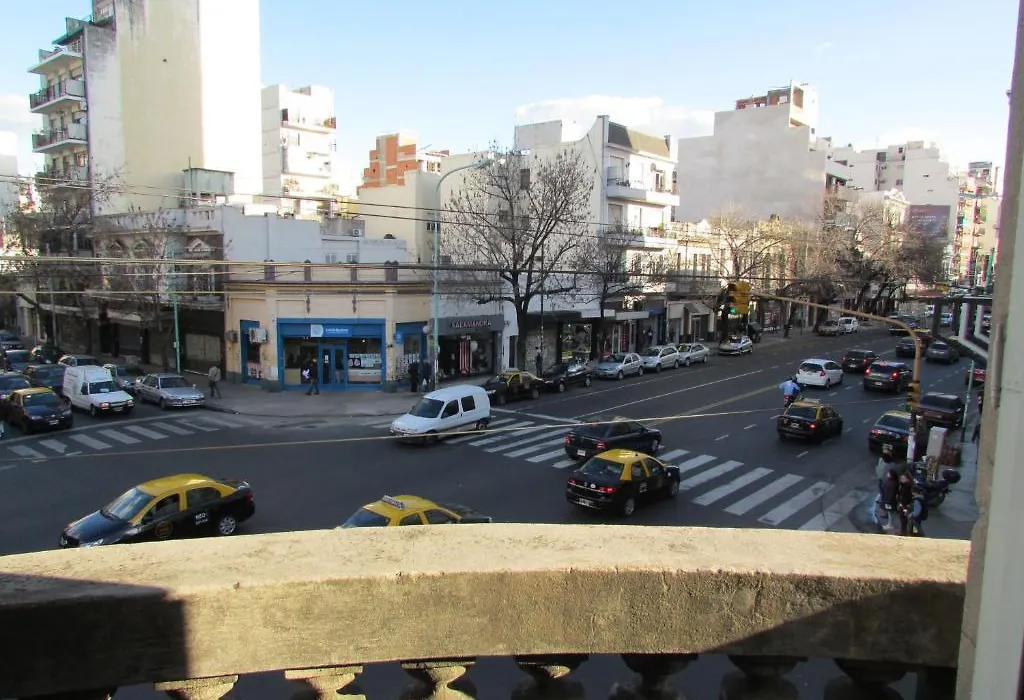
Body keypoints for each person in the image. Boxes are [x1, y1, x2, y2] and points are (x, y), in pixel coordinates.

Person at [878, 468, 900, 533]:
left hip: (890, 501)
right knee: (889, 512)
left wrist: (888, 501)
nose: (887, 474)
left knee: (890, 513)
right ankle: (890, 524)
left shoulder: (893, 483)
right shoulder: (890, 481)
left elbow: (892, 493)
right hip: (887, 500)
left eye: (888, 473)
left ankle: (890, 525)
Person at [896, 471, 915, 535]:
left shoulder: (907, 486)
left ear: (907, 479)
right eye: (901, 478)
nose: (901, 479)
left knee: (903, 517)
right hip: (904, 504)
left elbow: (906, 496)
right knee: (903, 517)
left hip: (905, 505)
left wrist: (902, 504)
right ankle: (904, 530)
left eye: (903, 478)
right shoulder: (904, 485)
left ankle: (903, 531)